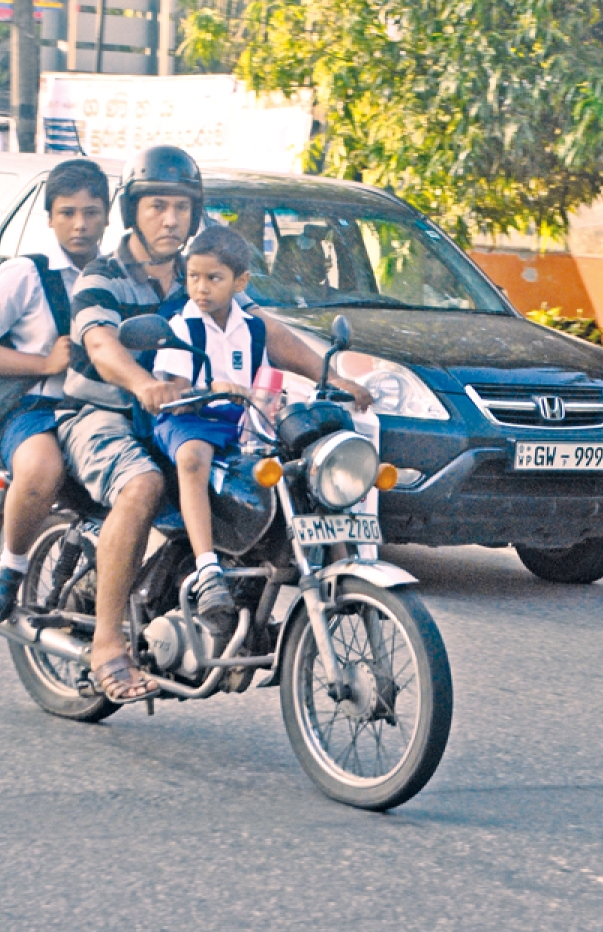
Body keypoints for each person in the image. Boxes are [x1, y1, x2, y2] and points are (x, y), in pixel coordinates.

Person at [59, 145, 372, 704]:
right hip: (104, 411)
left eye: (181, 206)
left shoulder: (202, 269)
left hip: (191, 412)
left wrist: (332, 373)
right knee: (143, 485)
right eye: (156, 205)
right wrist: (144, 384)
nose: (171, 218)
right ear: (132, 210)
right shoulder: (101, 275)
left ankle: (238, 601)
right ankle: (107, 644)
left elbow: (261, 329)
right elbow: (101, 344)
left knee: (273, 477)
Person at [0, 159, 111, 623]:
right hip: (36, 409)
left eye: (91, 212)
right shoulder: (23, 274)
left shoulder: (119, 273)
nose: (80, 225)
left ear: (107, 214)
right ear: (49, 218)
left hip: (104, 410)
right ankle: (10, 567)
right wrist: (43, 363)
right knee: (42, 468)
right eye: (67, 213)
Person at [149, 226, 271, 644]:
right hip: (186, 420)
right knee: (193, 459)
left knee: (283, 467)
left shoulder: (253, 329)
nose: (200, 288)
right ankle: (207, 568)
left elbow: (268, 380)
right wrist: (214, 389)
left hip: (236, 424)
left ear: (241, 282)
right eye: (193, 277)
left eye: (213, 278)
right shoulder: (182, 326)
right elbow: (176, 393)